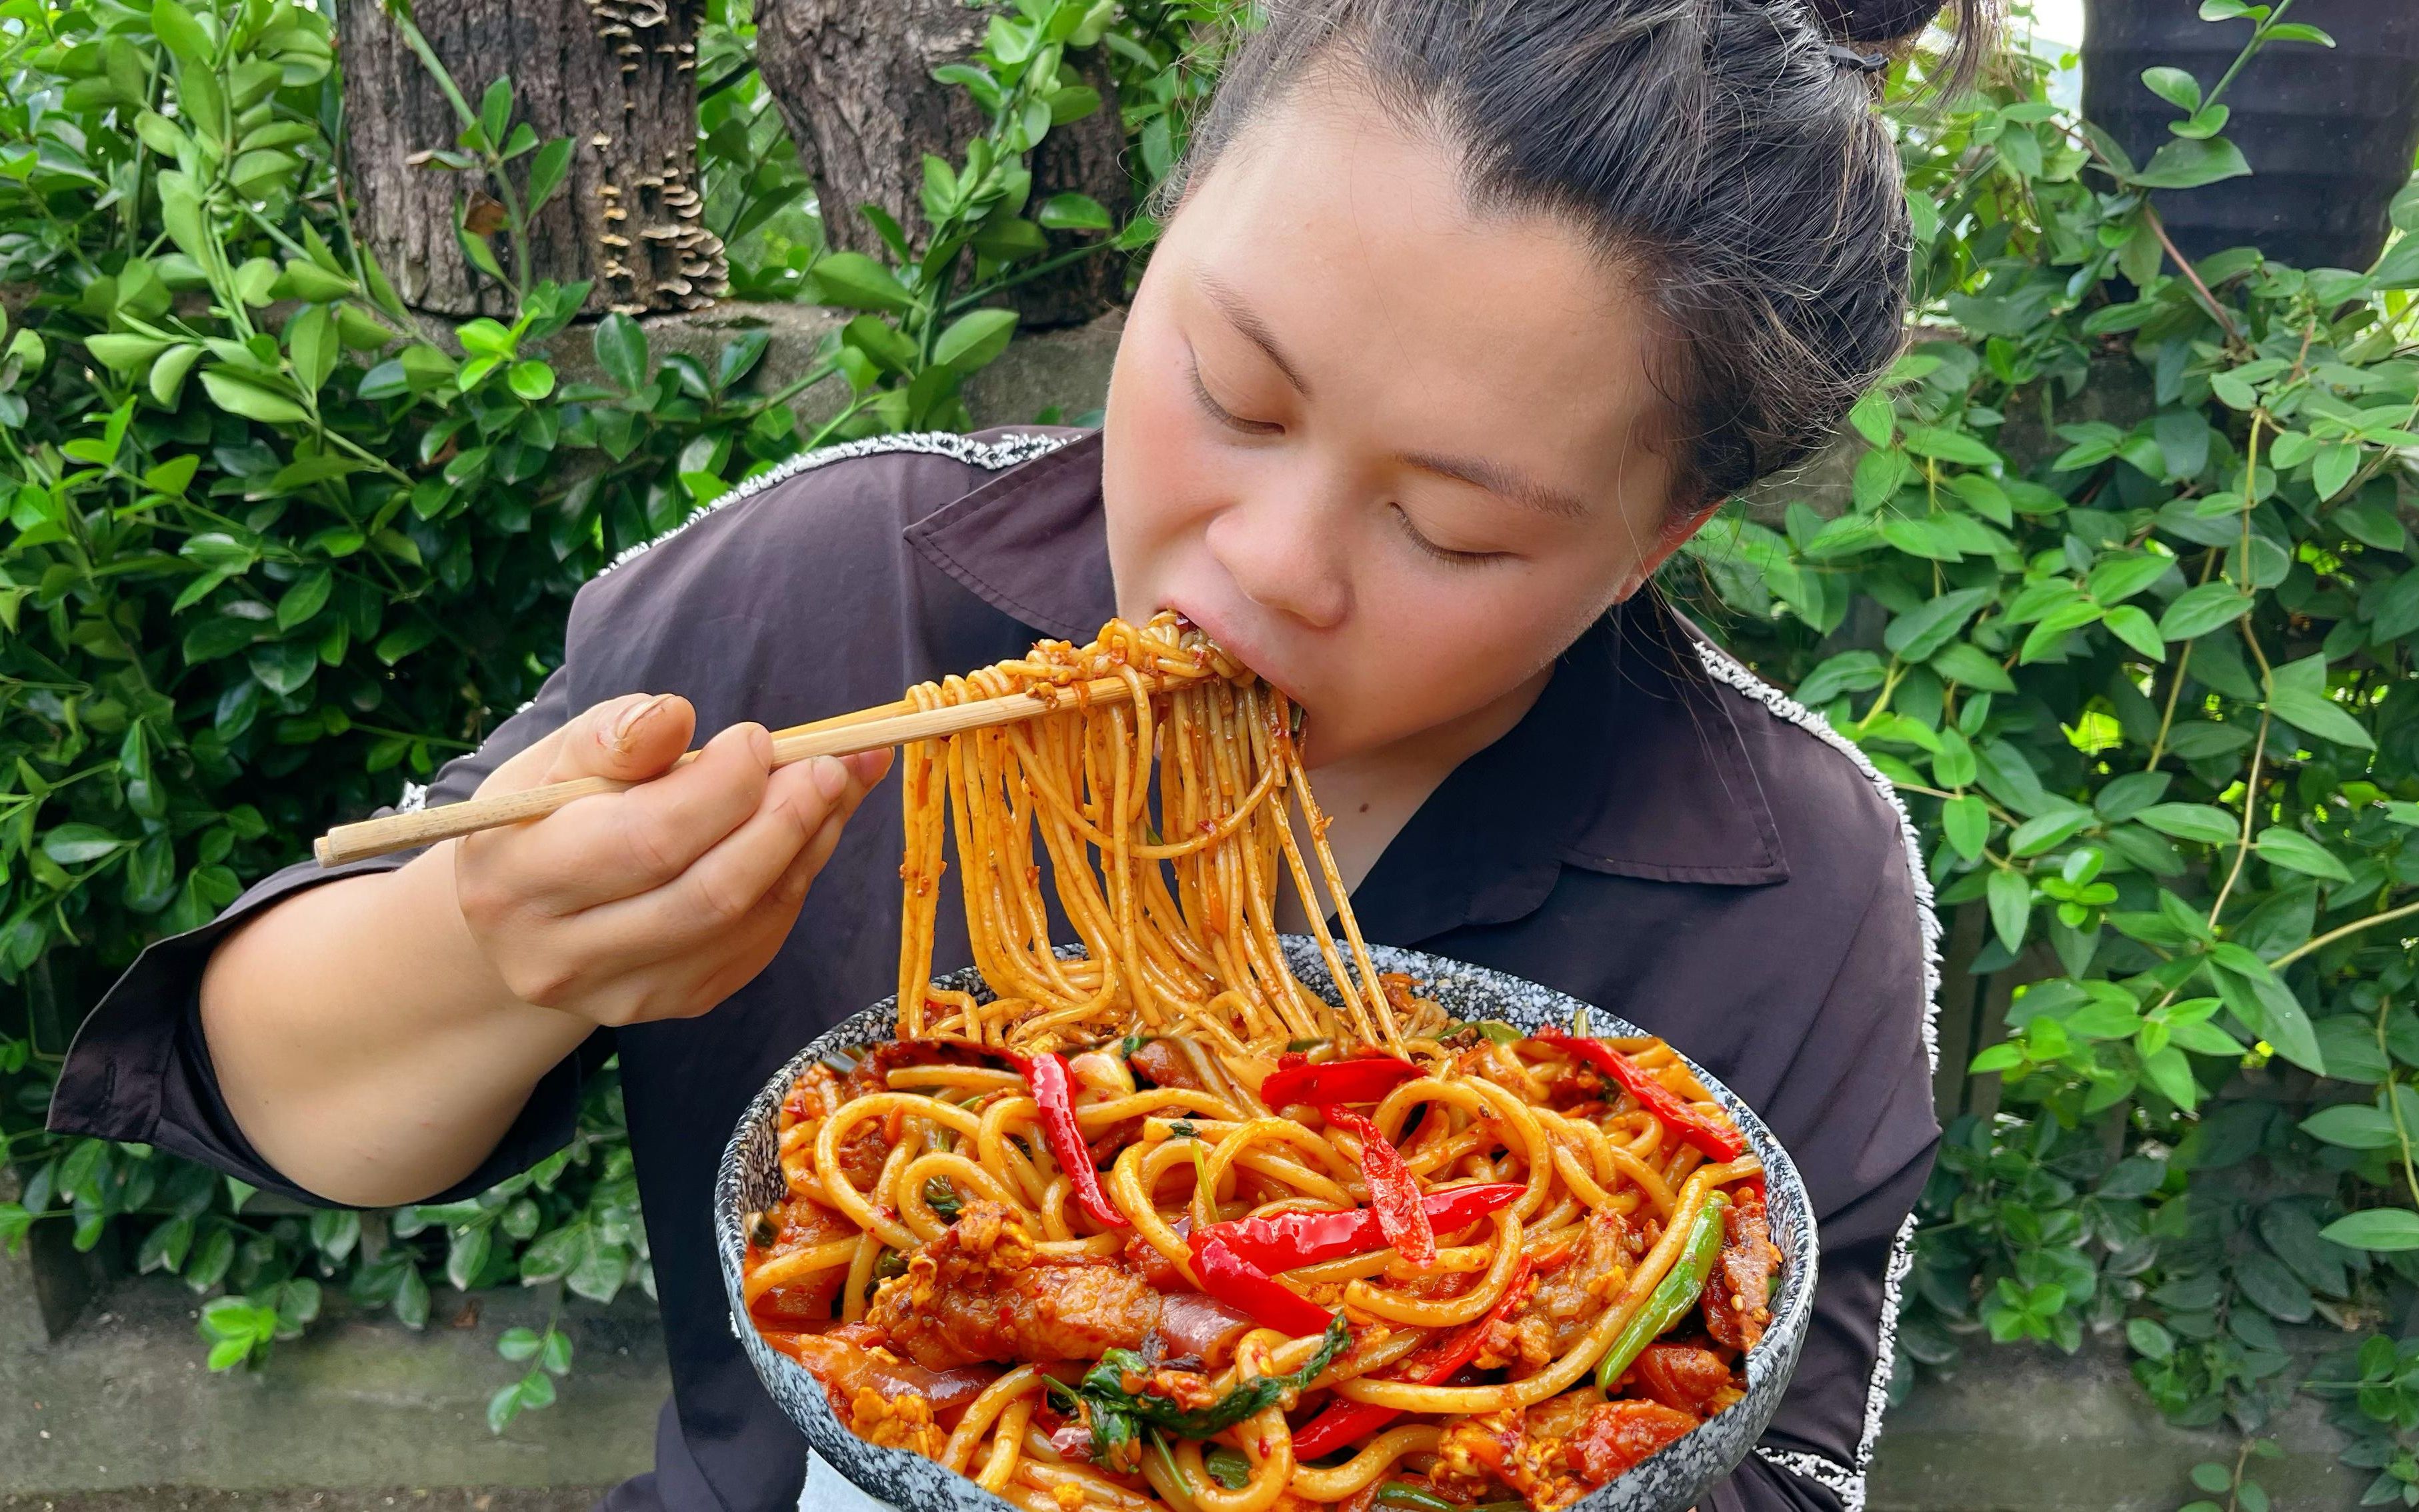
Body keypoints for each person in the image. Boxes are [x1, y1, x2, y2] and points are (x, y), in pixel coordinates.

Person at [51, 0, 1990, 1507]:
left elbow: (1769, 1457)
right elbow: (266, 1090)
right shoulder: (830, 592)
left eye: (1454, 532)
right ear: (1163, 241)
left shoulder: (1791, 877)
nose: (1265, 563)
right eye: (1232, 389)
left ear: (1651, 542)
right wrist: (489, 940)